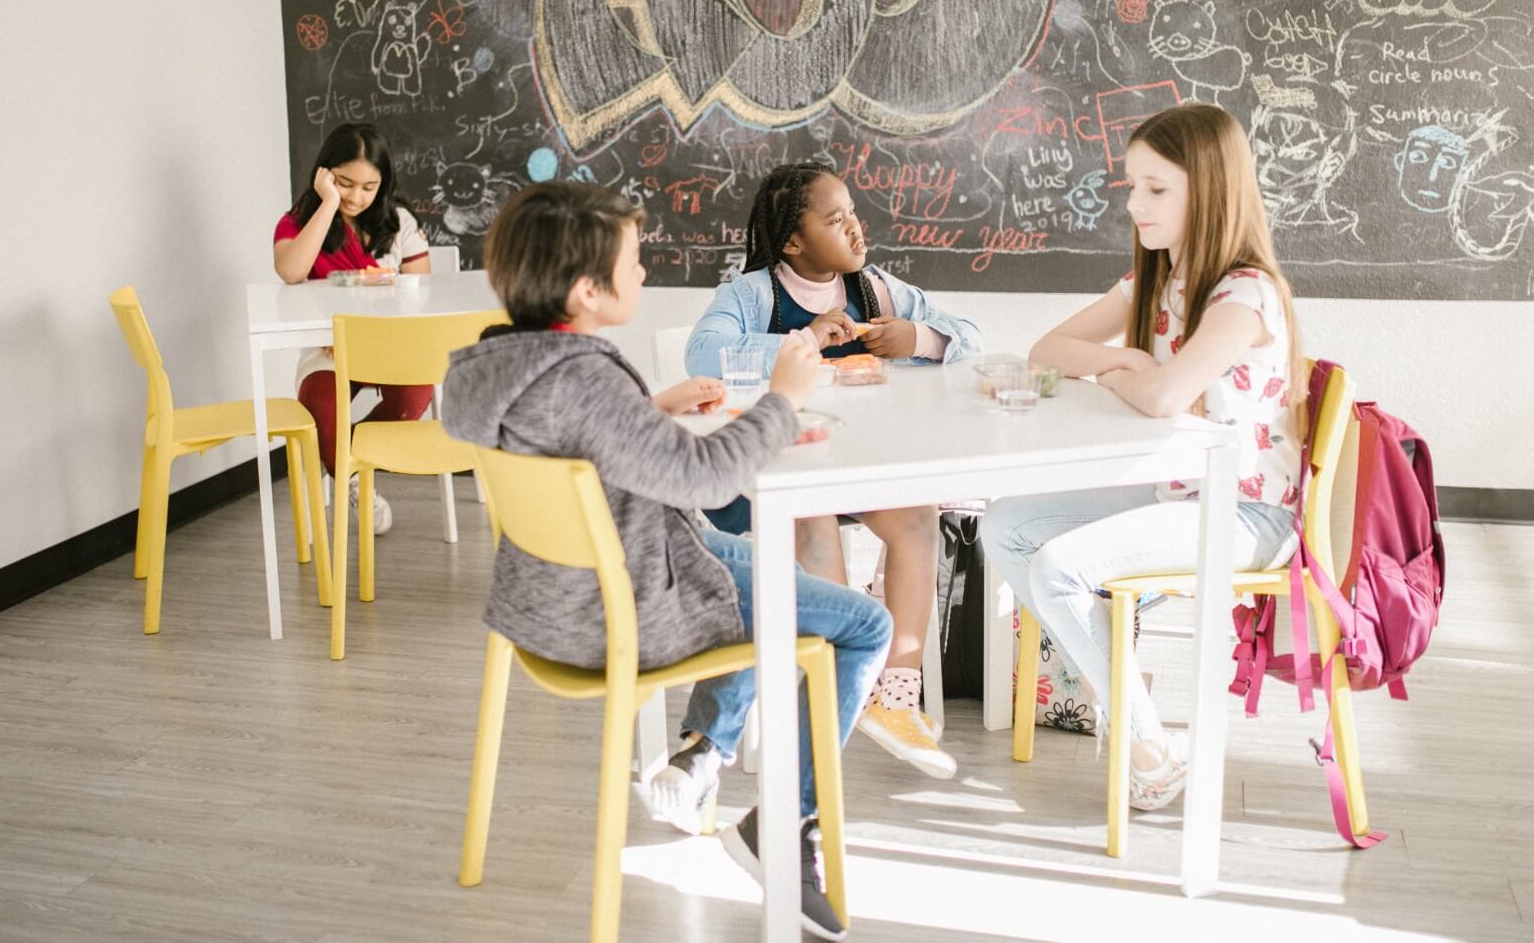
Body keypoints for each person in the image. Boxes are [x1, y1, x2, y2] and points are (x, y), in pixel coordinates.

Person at [441, 180, 892, 940]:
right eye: (633, 262)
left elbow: (566, 439)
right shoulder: (585, 376)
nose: (644, 274)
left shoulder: (493, 366)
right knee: (862, 624)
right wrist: (781, 401)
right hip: (624, 604)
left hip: (546, 602)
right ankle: (780, 827)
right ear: (587, 289)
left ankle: (701, 756)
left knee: (756, 573)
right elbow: (710, 480)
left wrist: (650, 411)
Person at [983, 103, 1305, 810]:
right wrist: (1127, 358)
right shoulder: (1155, 282)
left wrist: (1117, 371)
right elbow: (1047, 352)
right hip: (1181, 492)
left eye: (1156, 189)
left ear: (1210, 192)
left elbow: (1163, 397)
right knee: (1002, 523)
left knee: (1058, 566)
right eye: (1132, 186)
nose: (1134, 205)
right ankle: (1131, 706)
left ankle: (1142, 743)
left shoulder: (1244, 294)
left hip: (1248, 512)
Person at [685, 163, 982, 778]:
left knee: (918, 516)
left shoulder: (875, 288)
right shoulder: (754, 294)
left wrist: (919, 338)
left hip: (856, 468)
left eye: (852, 212)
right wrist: (806, 342)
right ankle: (840, 683)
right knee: (812, 517)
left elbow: (970, 337)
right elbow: (701, 354)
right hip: (767, 480)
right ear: (793, 242)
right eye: (835, 218)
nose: (855, 227)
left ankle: (895, 696)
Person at [273, 123, 430, 535]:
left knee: (415, 393)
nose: (356, 198)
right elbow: (291, 271)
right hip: (326, 352)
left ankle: (350, 459)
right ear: (325, 174)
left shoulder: (401, 224)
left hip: (387, 348)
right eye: (344, 183)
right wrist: (327, 205)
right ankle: (355, 477)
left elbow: (424, 295)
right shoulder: (297, 223)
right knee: (321, 414)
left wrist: (371, 289)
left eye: (369, 187)